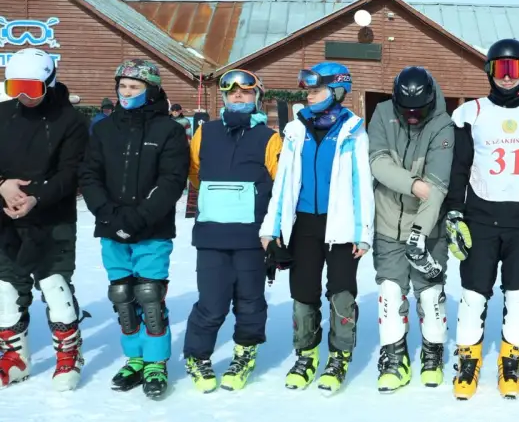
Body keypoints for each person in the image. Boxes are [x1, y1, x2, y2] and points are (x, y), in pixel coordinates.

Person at [445, 38, 519, 400]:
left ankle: (511, 360)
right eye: (500, 69)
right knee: (472, 294)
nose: (507, 77)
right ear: (489, 71)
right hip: (481, 217)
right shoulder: (472, 112)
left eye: (514, 69)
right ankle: (469, 361)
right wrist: (454, 210)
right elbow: (459, 167)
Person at [260, 62, 373, 395]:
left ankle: (339, 357)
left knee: (341, 291)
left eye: (316, 90)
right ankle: (306, 355)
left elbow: (361, 185)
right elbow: (282, 185)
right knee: (303, 292)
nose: (309, 97)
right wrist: (272, 228)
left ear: (337, 91)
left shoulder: (353, 130)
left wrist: (362, 233)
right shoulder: (295, 130)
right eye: (307, 91)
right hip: (303, 225)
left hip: (340, 226)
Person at [78, 58, 190, 398]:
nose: (127, 93)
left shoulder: (168, 130)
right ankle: (135, 358)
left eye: (135, 87)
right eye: (123, 86)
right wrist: (108, 214)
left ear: (151, 90)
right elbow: (89, 174)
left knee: (150, 297)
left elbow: (171, 181)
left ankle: (156, 361)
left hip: (151, 229)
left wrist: (138, 217)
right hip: (111, 227)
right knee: (123, 297)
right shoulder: (103, 128)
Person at [182, 70, 282, 393]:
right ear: (224, 97)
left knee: (251, 301)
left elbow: (280, 185)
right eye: (232, 92)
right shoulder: (204, 133)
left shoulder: (270, 138)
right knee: (211, 303)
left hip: (252, 237)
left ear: (257, 98)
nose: (238, 96)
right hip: (212, 236)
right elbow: (195, 175)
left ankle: (244, 354)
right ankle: (197, 357)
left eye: (246, 92)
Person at [0, 48, 88, 391]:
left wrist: (37, 197)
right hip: (6, 217)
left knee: (55, 286)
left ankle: (68, 353)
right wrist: (3, 187)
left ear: (49, 83)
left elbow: (71, 172)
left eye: (31, 88)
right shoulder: (2, 115)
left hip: (53, 217)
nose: (23, 96)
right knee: (6, 288)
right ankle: (14, 356)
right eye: (15, 86)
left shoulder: (71, 121)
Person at [367, 66, 454, 393]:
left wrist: (419, 232)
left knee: (430, 295)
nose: (413, 116)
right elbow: (377, 162)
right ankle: (395, 358)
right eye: (407, 110)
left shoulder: (443, 124)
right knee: (390, 292)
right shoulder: (382, 114)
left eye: (420, 110)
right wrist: (413, 184)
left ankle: (433, 354)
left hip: (428, 228)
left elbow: (438, 186)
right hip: (388, 222)